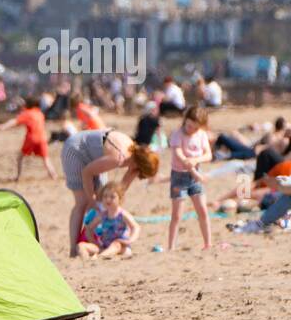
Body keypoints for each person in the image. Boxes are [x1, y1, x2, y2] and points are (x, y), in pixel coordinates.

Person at [61, 129, 159, 257]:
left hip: (94, 155)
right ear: (138, 165)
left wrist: (131, 174)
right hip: (75, 150)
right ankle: (73, 250)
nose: (138, 175)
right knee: (83, 202)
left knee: (102, 200)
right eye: (140, 173)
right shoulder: (118, 158)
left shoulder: (133, 154)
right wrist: (91, 199)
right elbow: (87, 173)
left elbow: (119, 191)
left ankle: (97, 244)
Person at [165, 106, 213, 252]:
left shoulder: (202, 135)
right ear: (185, 121)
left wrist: (197, 160)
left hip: (195, 176)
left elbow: (208, 155)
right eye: (189, 126)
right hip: (179, 176)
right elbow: (179, 155)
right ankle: (171, 246)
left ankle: (208, 243)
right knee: (177, 214)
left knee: (202, 210)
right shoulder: (177, 134)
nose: (191, 129)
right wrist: (194, 170)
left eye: (195, 127)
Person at [0, 97, 56, 181]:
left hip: (32, 138)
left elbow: (14, 121)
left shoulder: (27, 113)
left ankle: (18, 176)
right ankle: (53, 175)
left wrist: (3, 127)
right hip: (42, 137)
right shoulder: (40, 113)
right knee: (45, 158)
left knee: (20, 157)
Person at [78, 183, 139, 259]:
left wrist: (130, 240)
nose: (108, 199)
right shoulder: (103, 215)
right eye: (105, 196)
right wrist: (95, 243)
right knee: (81, 245)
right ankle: (86, 262)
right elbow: (89, 229)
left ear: (120, 199)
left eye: (112, 197)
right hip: (105, 246)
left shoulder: (122, 214)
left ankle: (99, 257)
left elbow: (135, 227)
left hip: (121, 247)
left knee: (116, 245)